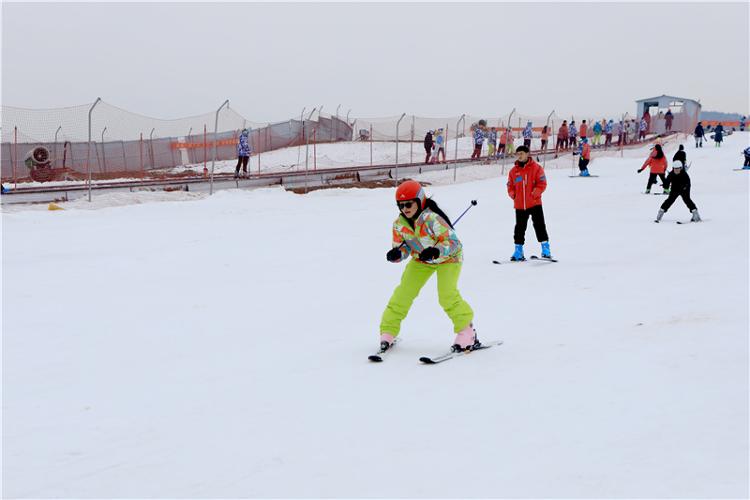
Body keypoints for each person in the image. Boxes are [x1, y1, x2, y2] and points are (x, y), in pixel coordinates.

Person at [380, 180, 479, 353]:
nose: (405, 208)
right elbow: (404, 246)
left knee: (447, 295)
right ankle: (388, 331)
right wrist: (397, 254)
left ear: (419, 201)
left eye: (409, 203)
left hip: (448, 259)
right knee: (403, 294)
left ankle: (467, 331)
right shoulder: (399, 224)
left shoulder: (433, 219)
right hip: (421, 261)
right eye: (401, 205)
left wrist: (436, 251)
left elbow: (454, 243)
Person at [506, 145, 551, 261]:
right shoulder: (513, 171)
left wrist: (535, 193)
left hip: (535, 203)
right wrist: (513, 194)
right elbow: (510, 185)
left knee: (539, 225)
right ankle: (518, 250)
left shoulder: (536, 168)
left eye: (521, 153)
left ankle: (545, 248)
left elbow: (542, 183)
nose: (519, 156)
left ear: (527, 154)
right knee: (519, 228)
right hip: (520, 205)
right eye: (518, 154)